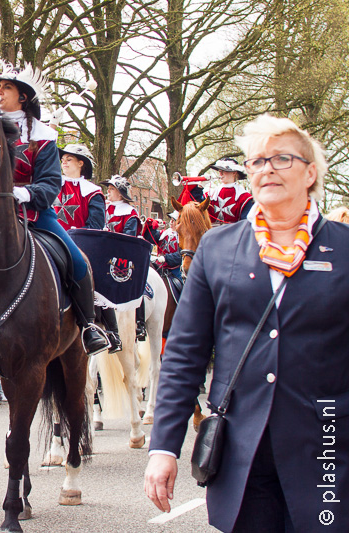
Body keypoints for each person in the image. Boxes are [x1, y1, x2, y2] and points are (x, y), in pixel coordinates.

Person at [144, 115, 348, 532]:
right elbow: (184, 353)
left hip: (327, 452)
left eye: (281, 158)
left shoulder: (344, 249)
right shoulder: (217, 249)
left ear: (311, 173)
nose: (267, 168)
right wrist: (164, 447)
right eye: (257, 161)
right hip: (241, 457)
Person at [0, 64, 109, 358]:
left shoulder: (43, 135)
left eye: (6, 88)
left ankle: (88, 326)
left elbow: (50, 185)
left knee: (77, 262)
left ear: (23, 97)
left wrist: (22, 193)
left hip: (34, 214)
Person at [54, 144, 121, 352]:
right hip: (51, 238)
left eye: (69, 159)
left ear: (81, 163)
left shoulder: (93, 192)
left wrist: (74, 235)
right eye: (63, 159)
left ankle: (102, 330)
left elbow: (95, 226)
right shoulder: (53, 183)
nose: (63, 162)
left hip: (79, 243)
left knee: (92, 277)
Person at [104, 176, 147, 340]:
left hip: (123, 257)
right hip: (103, 253)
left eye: (112, 189)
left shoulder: (130, 213)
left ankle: (140, 324)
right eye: (108, 188)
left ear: (121, 194)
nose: (108, 191)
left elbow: (128, 239)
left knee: (138, 281)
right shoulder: (103, 208)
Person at [206, 157, 254, 224]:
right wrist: (199, 188)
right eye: (220, 171)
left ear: (234, 173)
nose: (220, 174)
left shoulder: (244, 197)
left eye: (224, 171)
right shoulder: (211, 194)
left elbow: (246, 223)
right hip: (211, 233)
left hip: (235, 233)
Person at [155, 212, 182, 281]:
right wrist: (150, 225)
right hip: (160, 266)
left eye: (174, 220)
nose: (171, 222)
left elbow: (180, 256)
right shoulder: (164, 233)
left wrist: (165, 258)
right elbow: (151, 237)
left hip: (175, 269)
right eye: (171, 220)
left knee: (181, 285)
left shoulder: (182, 238)